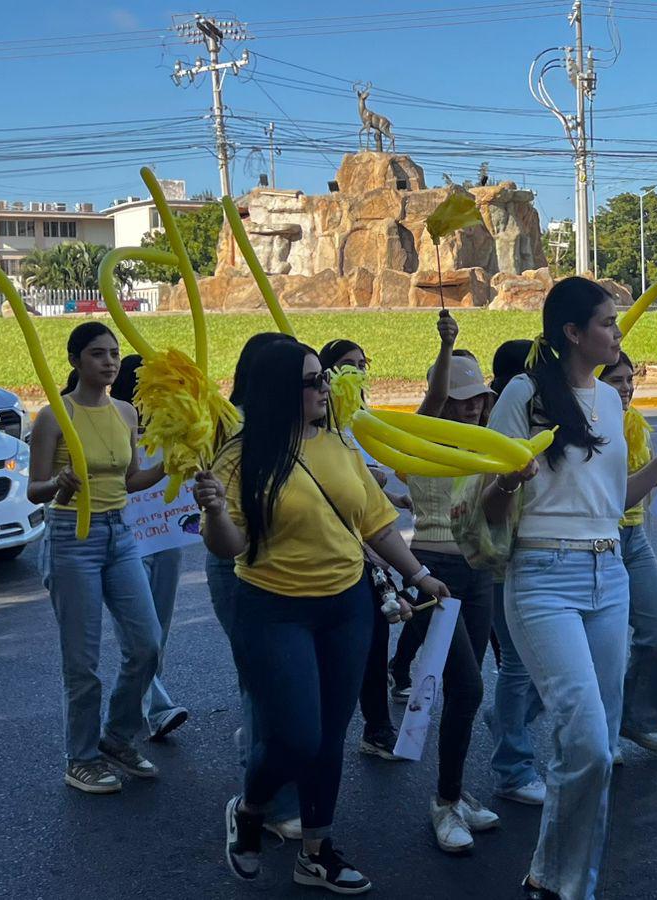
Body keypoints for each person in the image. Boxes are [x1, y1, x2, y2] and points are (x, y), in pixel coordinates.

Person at [196, 339, 449, 894]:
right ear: (278, 390)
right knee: (294, 737)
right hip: (274, 610)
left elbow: (377, 524)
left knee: (331, 735)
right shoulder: (238, 458)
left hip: (347, 606)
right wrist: (214, 511)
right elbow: (230, 545)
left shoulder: (338, 443)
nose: (325, 389)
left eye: (323, 379)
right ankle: (251, 808)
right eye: (313, 381)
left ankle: (317, 850)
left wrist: (419, 575)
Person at [482, 276, 657, 900]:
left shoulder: (611, 401)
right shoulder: (522, 394)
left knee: (598, 745)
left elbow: (617, 500)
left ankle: (562, 879)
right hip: (542, 577)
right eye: (606, 322)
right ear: (572, 332)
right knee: (586, 743)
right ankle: (560, 877)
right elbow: (486, 505)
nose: (616, 332)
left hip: (610, 575)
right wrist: (509, 480)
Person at [26, 322, 166, 794]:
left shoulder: (126, 413)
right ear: (75, 361)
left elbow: (129, 480)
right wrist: (58, 484)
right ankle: (80, 757)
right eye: (96, 354)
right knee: (82, 662)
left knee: (147, 644)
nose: (108, 362)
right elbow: (34, 491)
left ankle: (117, 738)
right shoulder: (53, 417)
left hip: (119, 534)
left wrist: (170, 466)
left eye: (113, 353)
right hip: (71, 537)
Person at [383, 314, 505, 853]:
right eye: (461, 398)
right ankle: (443, 802)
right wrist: (446, 345)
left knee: (464, 691)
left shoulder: (489, 442)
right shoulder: (421, 437)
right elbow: (431, 406)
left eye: (477, 397)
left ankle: (454, 793)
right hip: (434, 574)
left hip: (479, 572)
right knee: (470, 688)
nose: (471, 406)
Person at [206, 331, 300, 838]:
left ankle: (266, 773)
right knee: (261, 682)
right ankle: (268, 802)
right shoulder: (227, 428)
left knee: (276, 685)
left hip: (287, 565)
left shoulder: (299, 424)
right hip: (238, 564)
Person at [317, 337, 399, 761]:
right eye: (348, 365)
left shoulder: (361, 417)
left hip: (362, 546)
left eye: (363, 364)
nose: (358, 372)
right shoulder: (319, 420)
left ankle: (377, 725)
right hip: (322, 552)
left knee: (375, 635)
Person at [483, 338, 551, 808]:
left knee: (549, 668)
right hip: (502, 560)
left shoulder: (545, 414)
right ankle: (513, 764)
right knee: (519, 663)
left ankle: (507, 722)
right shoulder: (504, 423)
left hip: (545, 559)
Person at [107, 355, 189, 742]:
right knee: (141, 634)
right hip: (126, 544)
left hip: (168, 539)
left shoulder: (174, 428)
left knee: (161, 629)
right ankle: (157, 708)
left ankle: (146, 702)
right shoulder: (113, 426)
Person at [599, 350, 657, 756]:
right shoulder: (587, 425)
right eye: (617, 381)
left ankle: (637, 718)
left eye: (630, 380)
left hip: (634, 538)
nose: (627, 388)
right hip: (598, 541)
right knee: (605, 648)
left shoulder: (637, 426)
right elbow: (615, 492)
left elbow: (651, 483)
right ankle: (599, 734)